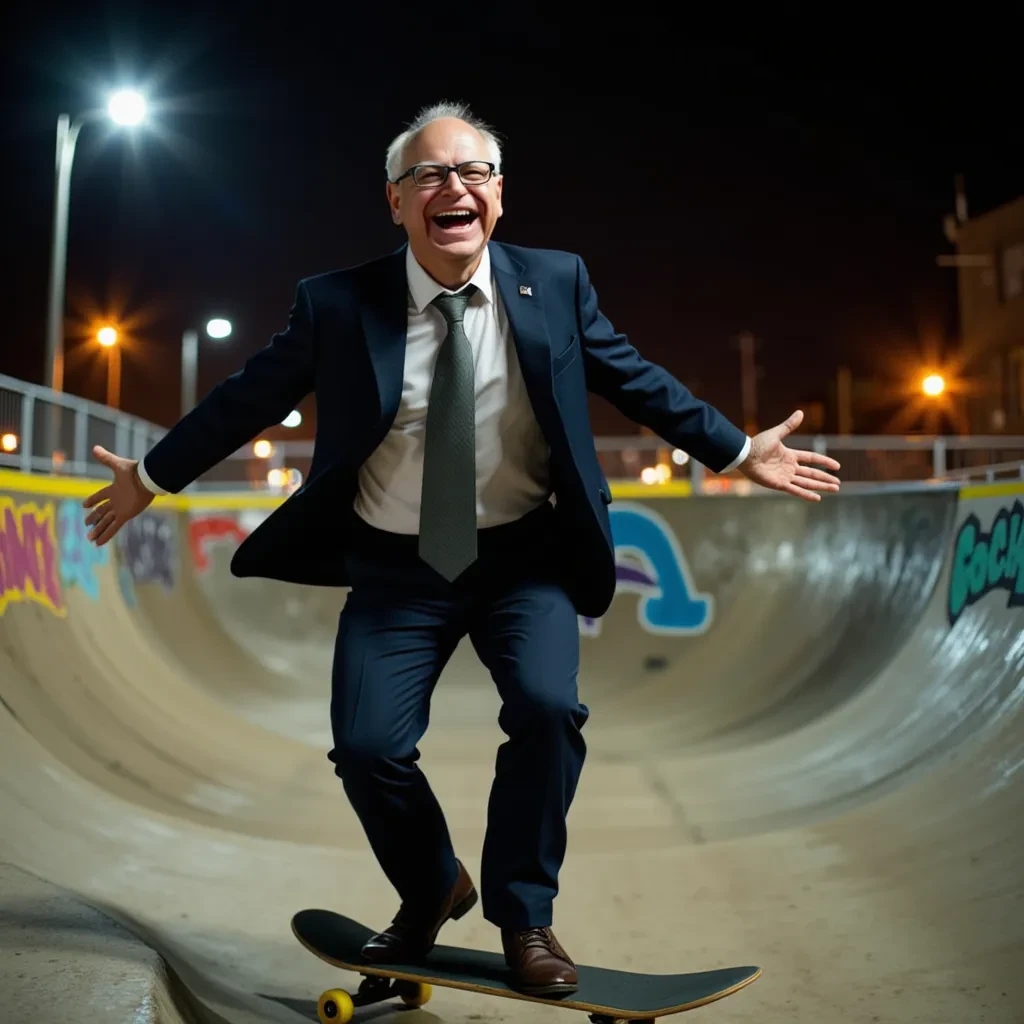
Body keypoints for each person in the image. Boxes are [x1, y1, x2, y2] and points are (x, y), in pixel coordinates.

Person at [82, 101, 841, 995]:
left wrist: (738, 449)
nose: (455, 188)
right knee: (366, 746)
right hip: (397, 566)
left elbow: (635, 379)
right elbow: (247, 398)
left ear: (500, 196)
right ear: (396, 203)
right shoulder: (337, 303)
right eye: (430, 175)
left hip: (526, 557)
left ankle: (526, 918)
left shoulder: (555, 283)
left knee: (549, 710)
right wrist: (152, 476)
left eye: (473, 173)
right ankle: (433, 882)